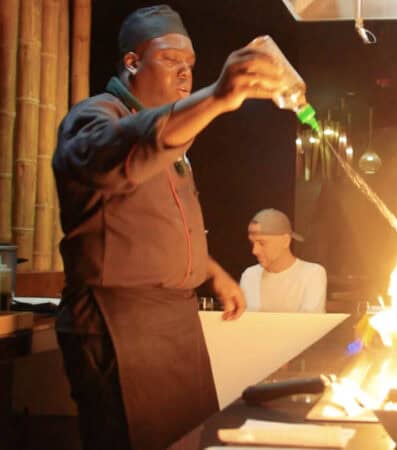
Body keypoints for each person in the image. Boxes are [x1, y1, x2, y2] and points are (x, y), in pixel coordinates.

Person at [52, 5, 284, 449]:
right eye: (170, 60)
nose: (184, 74)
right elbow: (112, 159)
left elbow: (153, 220)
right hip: (118, 320)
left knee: (188, 440)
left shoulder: (177, 134)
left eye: (191, 66)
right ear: (132, 62)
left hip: (174, 319)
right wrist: (217, 96)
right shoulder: (96, 116)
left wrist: (210, 269)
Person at [240, 208, 327, 313]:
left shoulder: (312, 274)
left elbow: (310, 324)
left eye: (262, 243)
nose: (255, 251)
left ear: (286, 241)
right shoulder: (250, 275)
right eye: (252, 243)